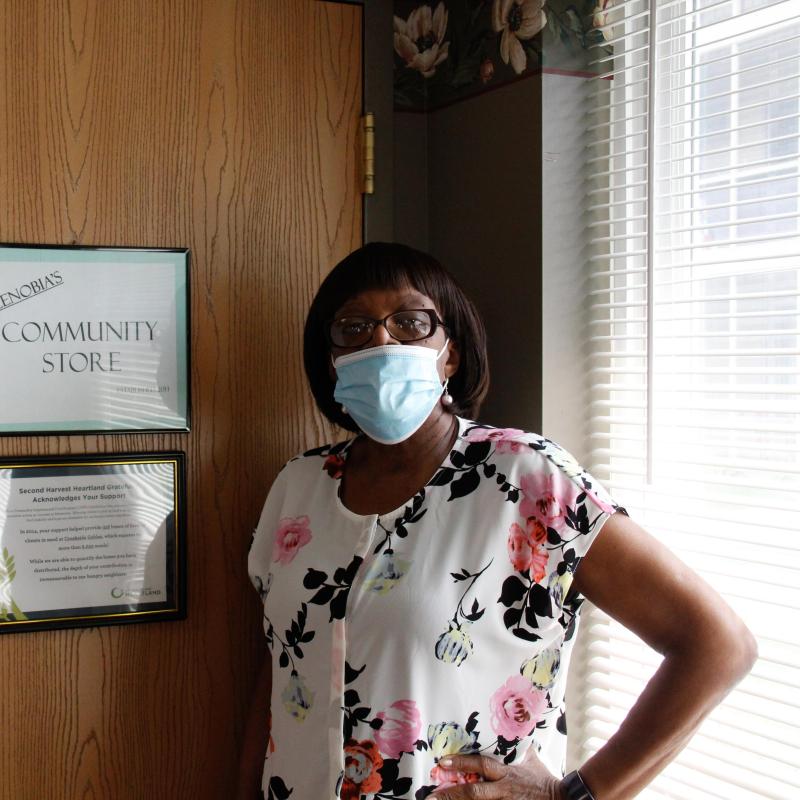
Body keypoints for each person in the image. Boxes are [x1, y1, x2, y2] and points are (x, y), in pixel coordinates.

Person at [240, 242, 756, 800]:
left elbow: (719, 646)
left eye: (411, 322)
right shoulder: (298, 487)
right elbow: (282, 666)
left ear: (451, 355)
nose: (382, 340)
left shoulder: (527, 478)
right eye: (354, 327)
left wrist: (577, 795)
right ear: (332, 360)